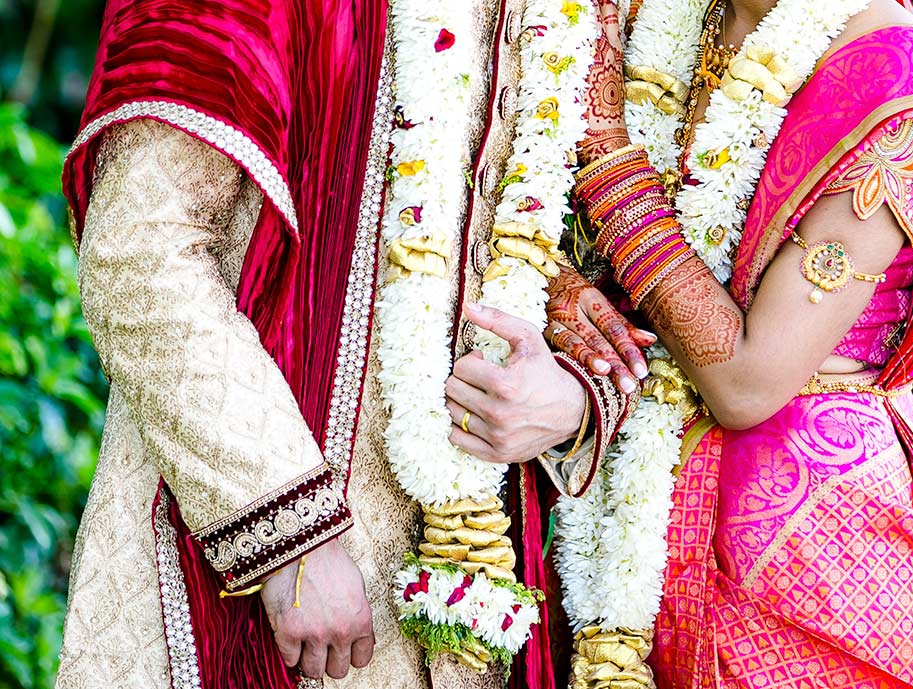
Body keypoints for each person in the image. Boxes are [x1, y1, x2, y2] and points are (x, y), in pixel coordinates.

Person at [57, 2, 647, 688]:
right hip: (255, 578)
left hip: (484, 613)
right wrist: (290, 535)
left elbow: (637, 254)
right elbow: (141, 248)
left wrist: (575, 396)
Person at [538, 0, 913, 686]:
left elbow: (748, 381)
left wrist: (606, 151)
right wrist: (558, 282)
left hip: (818, 565)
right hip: (624, 512)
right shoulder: (664, 17)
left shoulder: (896, 79)